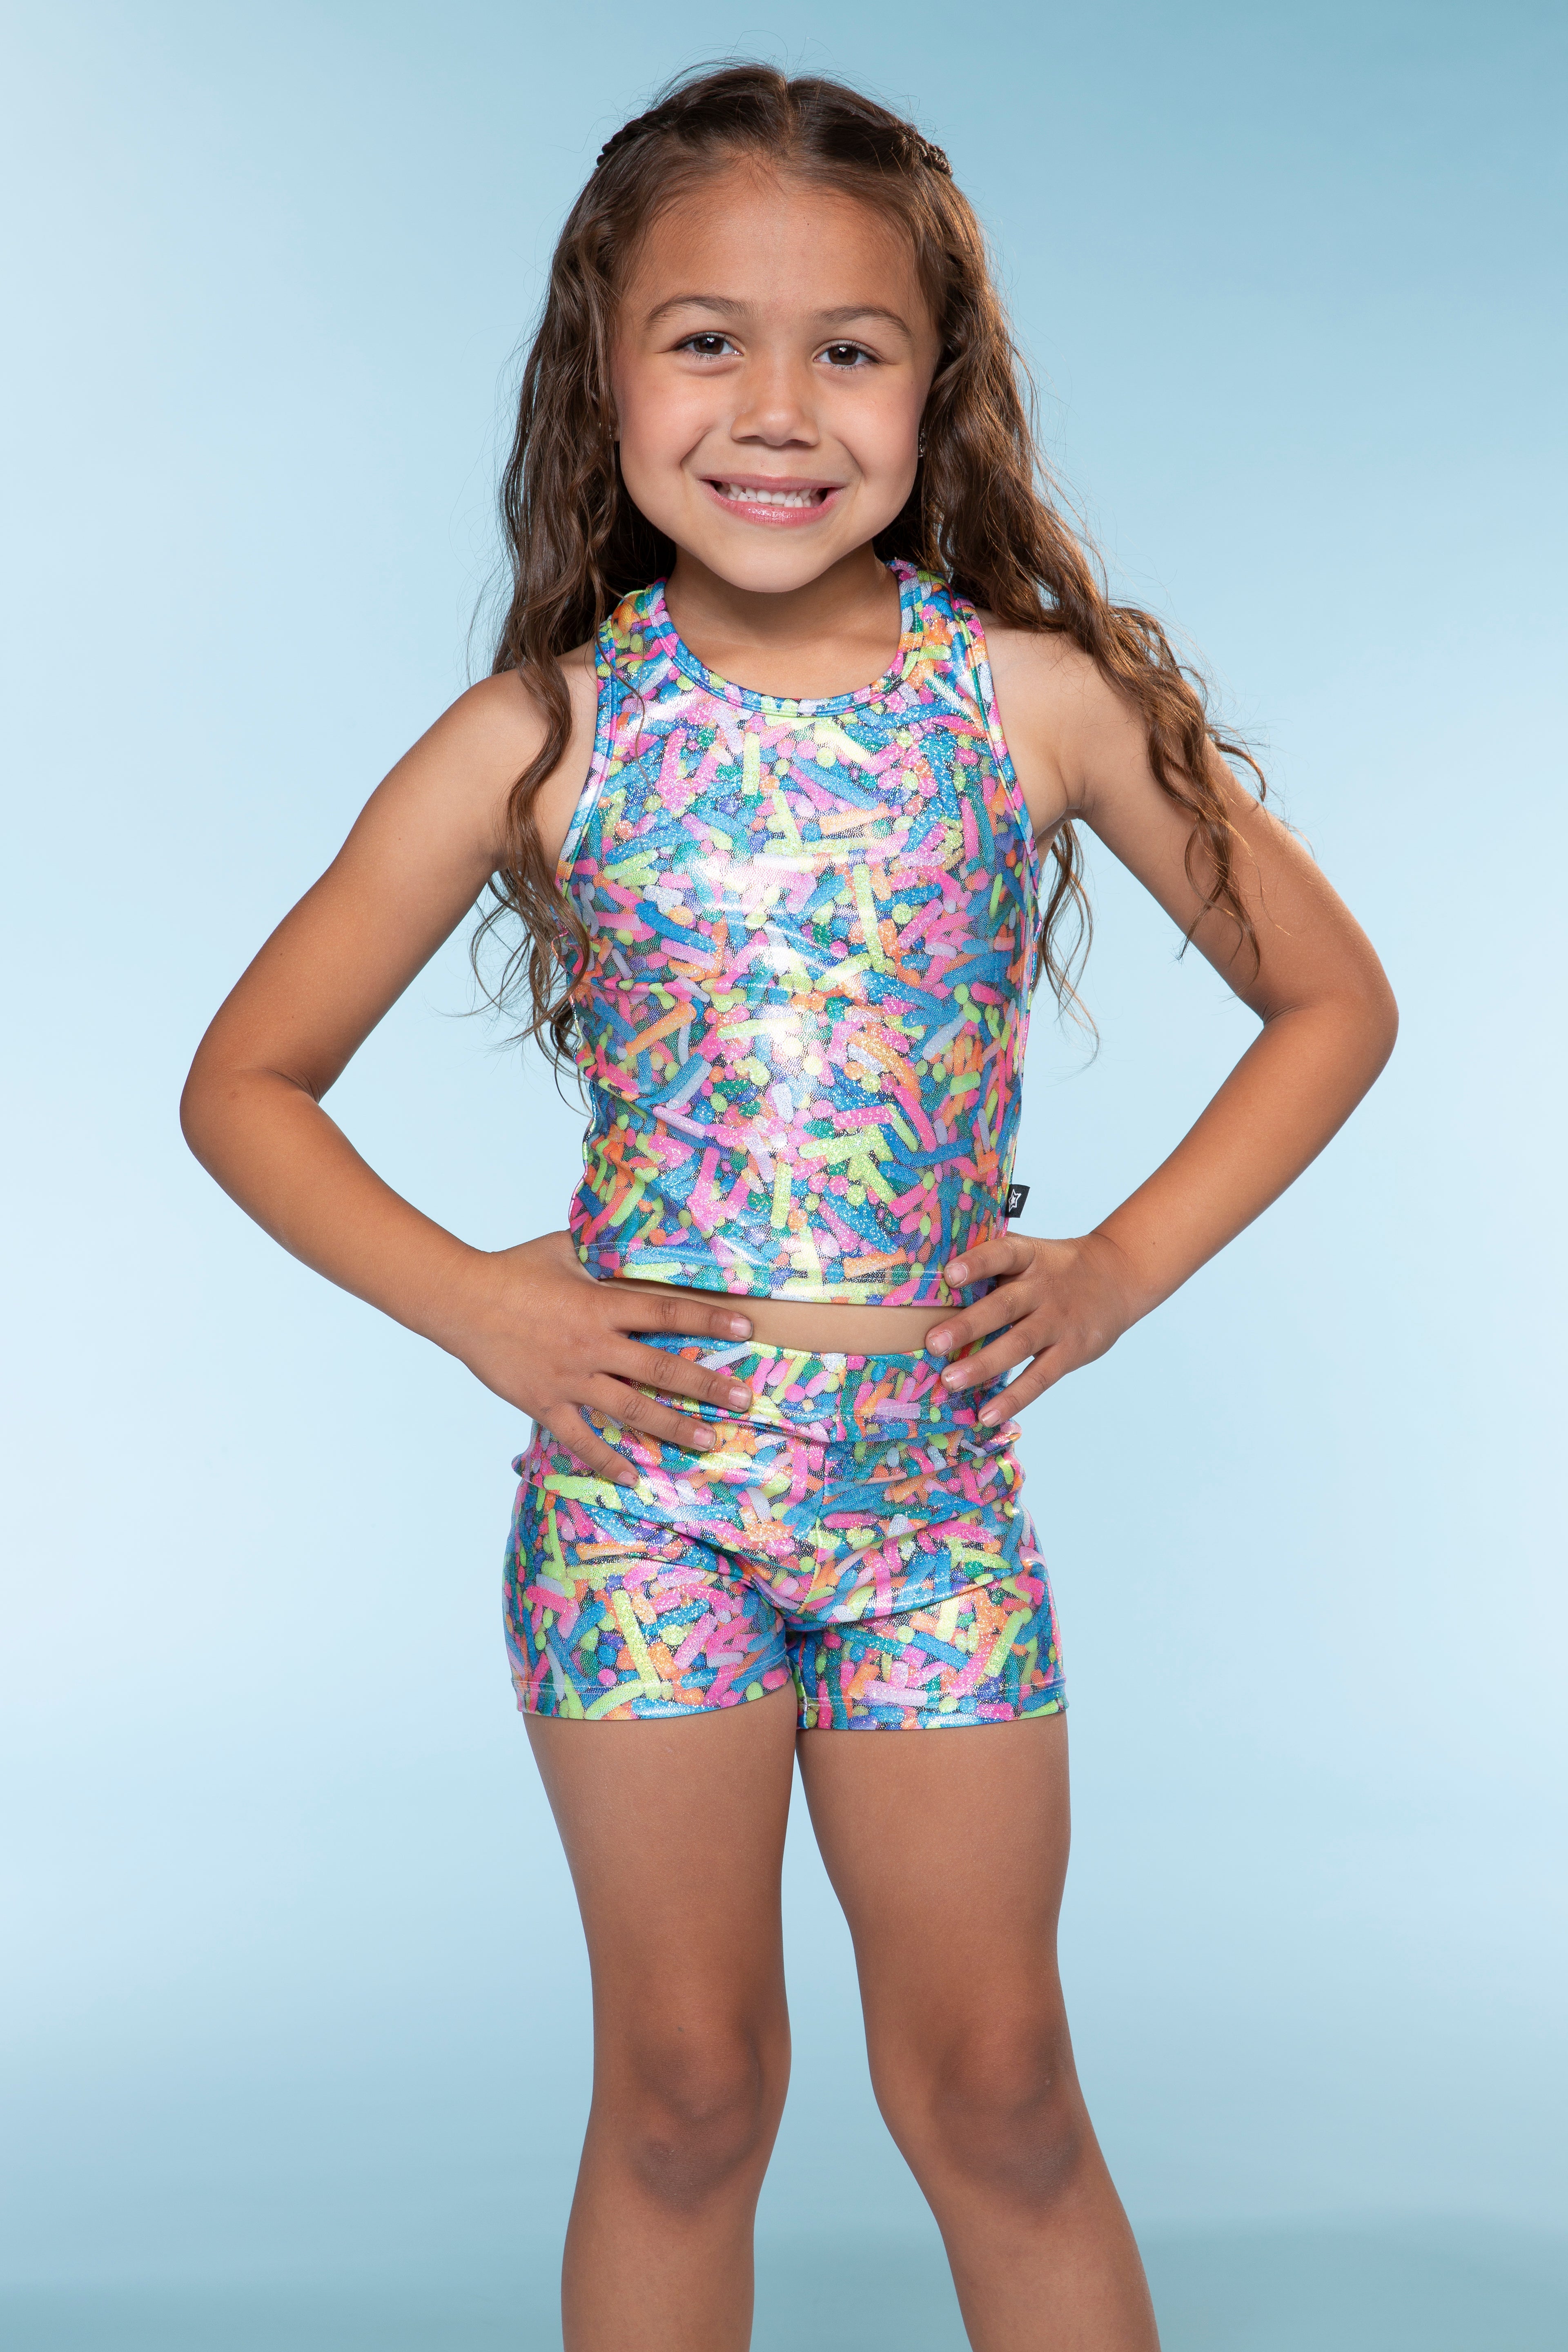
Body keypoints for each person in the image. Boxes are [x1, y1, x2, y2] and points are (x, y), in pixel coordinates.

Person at [181, 63, 1397, 2352]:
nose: (777, 409)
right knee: (687, 2097)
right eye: (706, 340)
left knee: (1004, 2094)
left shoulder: (1038, 706)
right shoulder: (540, 736)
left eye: (849, 348)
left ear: (939, 389)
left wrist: (1122, 1267)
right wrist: (478, 1307)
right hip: (643, 1506)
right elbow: (244, 1085)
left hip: (930, 1500)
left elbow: (1333, 999)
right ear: (605, 369)